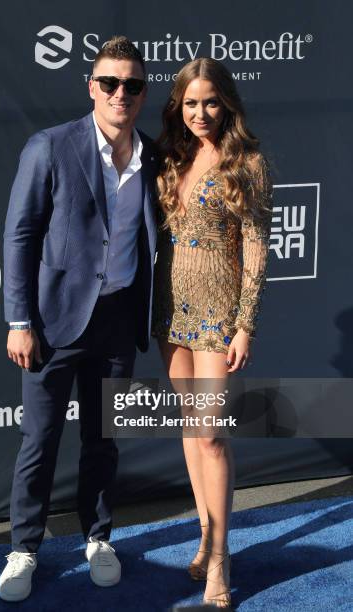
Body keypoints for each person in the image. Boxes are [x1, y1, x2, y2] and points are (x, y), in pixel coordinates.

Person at [0, 36, 157, 602]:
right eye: (110, 83)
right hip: (52, 321)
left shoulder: (152, 156)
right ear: (91, 87)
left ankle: (98, 538)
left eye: (132, 85)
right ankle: (24, 549)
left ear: (142, 93)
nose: (121, 94)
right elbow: (19, 236)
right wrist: (20, 319)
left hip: (117, 320)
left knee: (103, 439)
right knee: (38, 440)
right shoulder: (51, 146)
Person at [152, 58, 273, 609]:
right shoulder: (172, 157)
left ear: (227, 103)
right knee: (189, 431)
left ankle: (221, 558)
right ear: (180, 105)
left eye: (211, 101)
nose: (201, 113)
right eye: (191, 102)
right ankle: (205, 535)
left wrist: (245, 323)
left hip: (217, 316)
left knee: (212, 437)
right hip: (169, 311)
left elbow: (255, 247)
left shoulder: (245, 162)